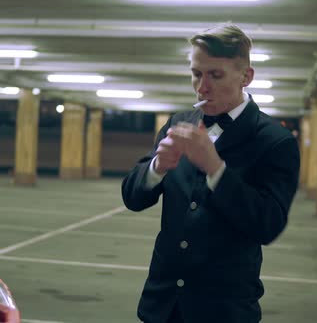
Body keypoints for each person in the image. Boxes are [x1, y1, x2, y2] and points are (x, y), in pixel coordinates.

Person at [121, 23, 300, 323]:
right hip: (162, 305)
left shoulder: (275, 141)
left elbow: (268, 225)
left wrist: (216, 169)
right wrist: (156, 168)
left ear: (246, 76)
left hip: (223, 310)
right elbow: (133, 197)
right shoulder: (180, 122)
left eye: (215, 75)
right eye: (196, 73)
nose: (202, 87)